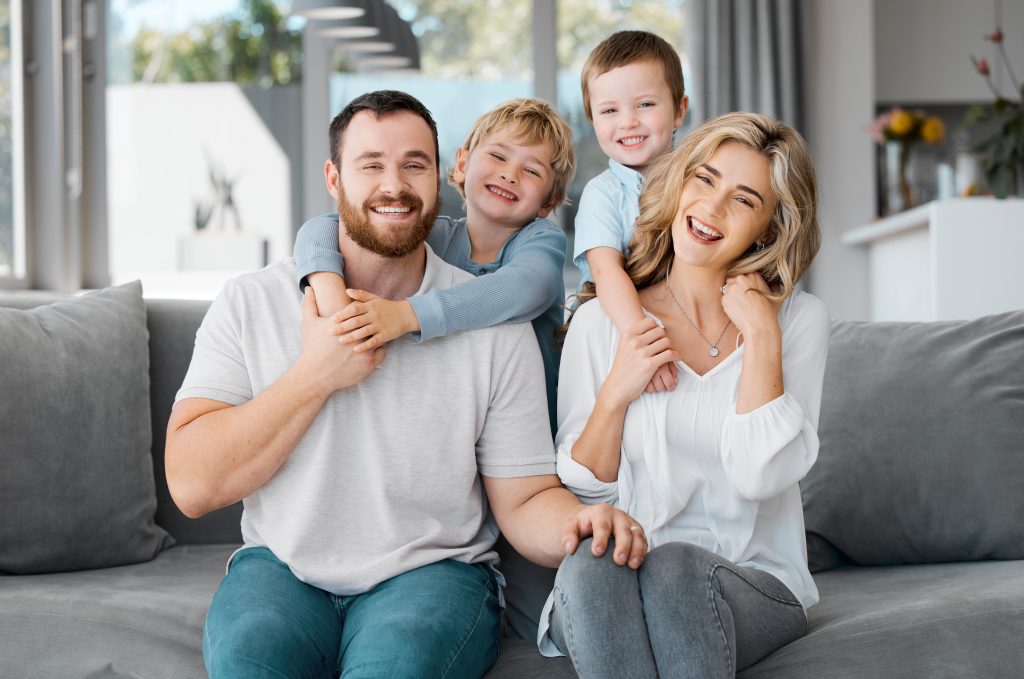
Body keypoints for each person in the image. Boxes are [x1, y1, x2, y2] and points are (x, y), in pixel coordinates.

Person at [164, 90, 647, 679]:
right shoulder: (250, 302)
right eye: (371, 164)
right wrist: (318, 372)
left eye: (413, 164)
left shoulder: (494, 322)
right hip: (281, 568)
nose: (393, 184)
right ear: (334, 178)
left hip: (434, 571)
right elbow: (191, 485)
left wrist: (578, 521)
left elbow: (522, 500)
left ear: (439, 177)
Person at [540, 111, 828, 678]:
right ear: (678, 185)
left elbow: (761, 477)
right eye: (704, 179)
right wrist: (617, 393)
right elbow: (583, 487)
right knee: (590, 565)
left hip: (752, 580)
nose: (712, 208)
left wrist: (763, 337)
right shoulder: (603, 321)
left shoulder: (798, 322)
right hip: (624, 574)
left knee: (675, 570)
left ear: (769, 227)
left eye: (744, 200)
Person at [293, 98, 575, 433]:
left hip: (531, 432)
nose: (509, 174)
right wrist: (329, 292)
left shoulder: (542, 240)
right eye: (498, 156)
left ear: (549, 202)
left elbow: (527, 286)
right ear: (461, 163)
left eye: (531, 170)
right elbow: (322, 226)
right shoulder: (436, 236)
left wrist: (406, 315)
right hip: (457, 420)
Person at [573, 30, 689, 393]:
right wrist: (641, 344)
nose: (628, 122)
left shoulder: (699, 182)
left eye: (645, 105)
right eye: (609, 110)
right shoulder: (602, 193)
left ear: (679, 110)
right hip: (621, 326)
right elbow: (606, 272)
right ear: (593, 119)